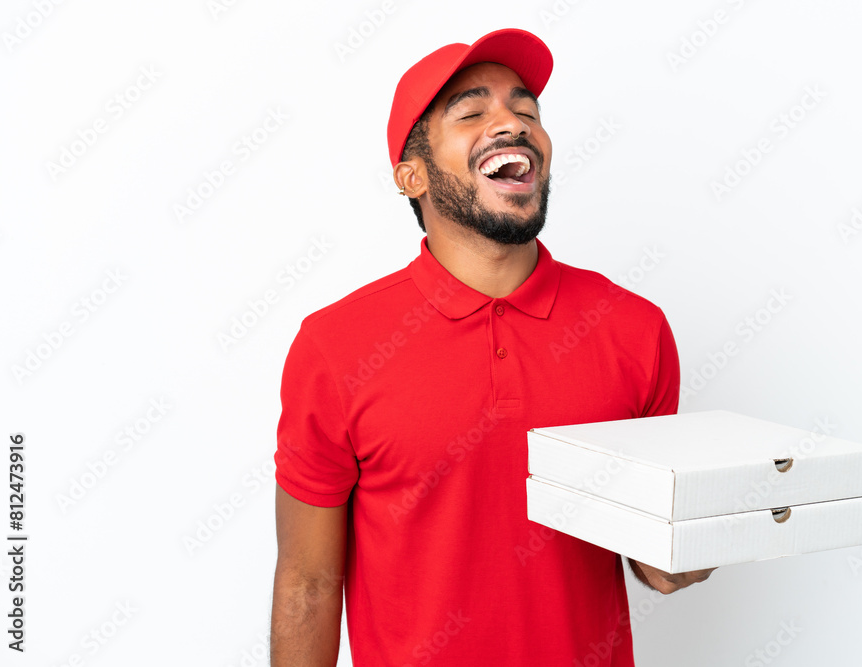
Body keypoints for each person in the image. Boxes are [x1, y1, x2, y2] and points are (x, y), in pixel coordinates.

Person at [270, 27, 714, 667]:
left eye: (526, 109)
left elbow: (652, 558)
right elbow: (309, 582)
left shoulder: (632, 330)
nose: (511, 123)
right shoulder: (336, 347)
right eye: (473, 112)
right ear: (412, 175)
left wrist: (690, 552)